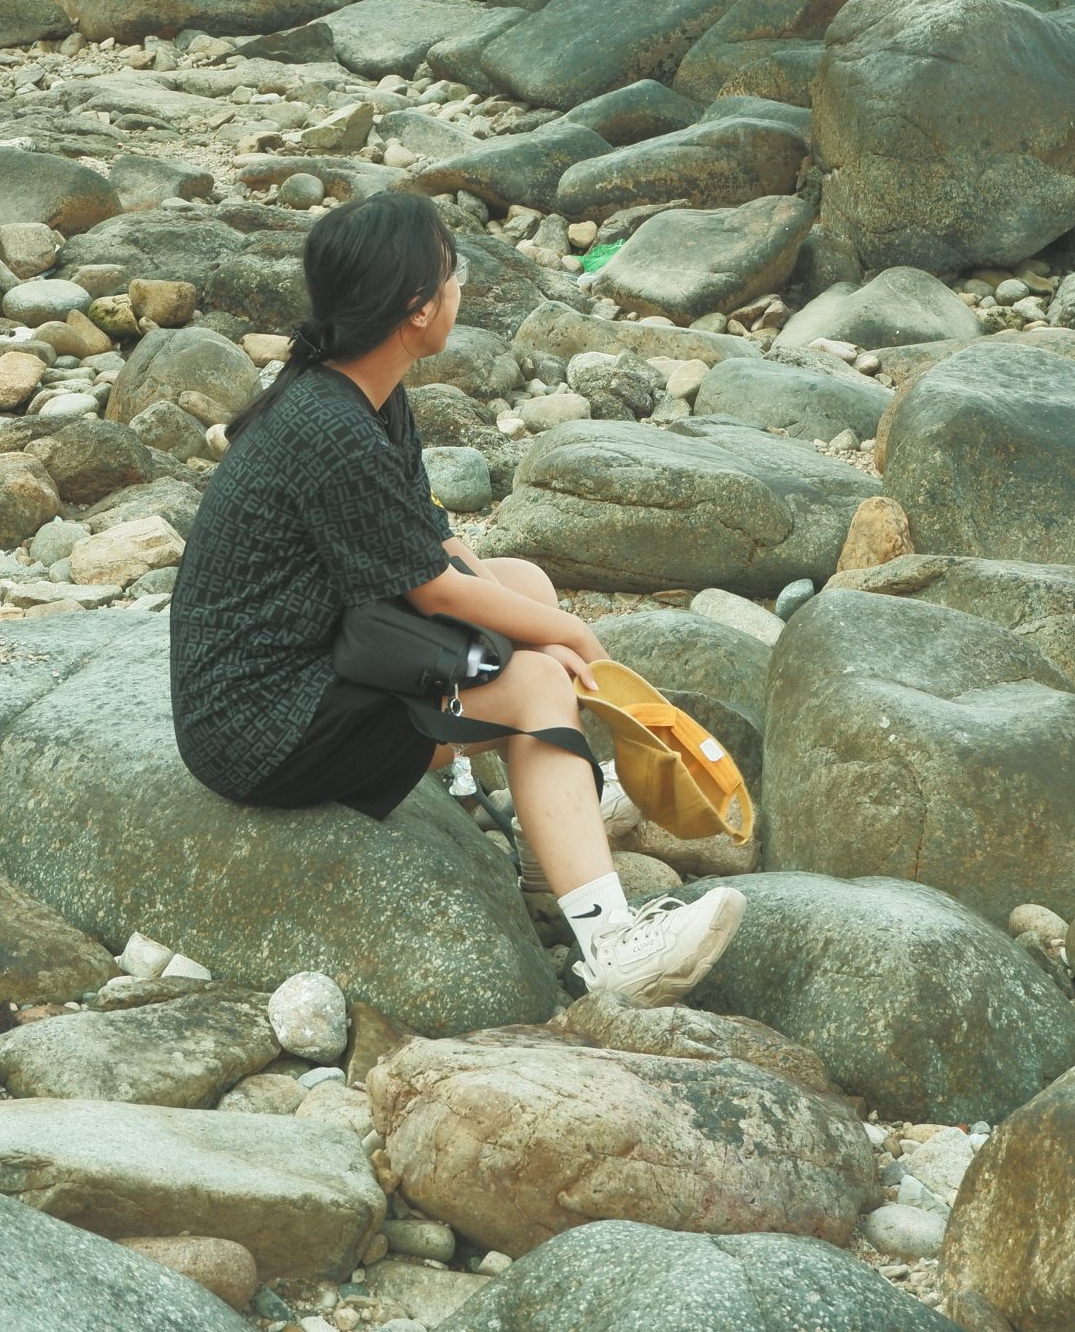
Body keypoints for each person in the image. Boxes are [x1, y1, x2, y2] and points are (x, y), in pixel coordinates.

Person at [168, 192, 744, 1007]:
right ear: (415, 309)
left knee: (525, 587)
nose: (460, 289)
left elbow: (433, 542)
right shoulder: (327, 429)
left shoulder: (365, 392)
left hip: (321, 647)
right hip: (262, 721)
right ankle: (613, 948)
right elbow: (433, 593)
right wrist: (575, 636)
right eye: (454, 275)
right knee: (539, 683)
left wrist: (535, 612)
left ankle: (556, 856)